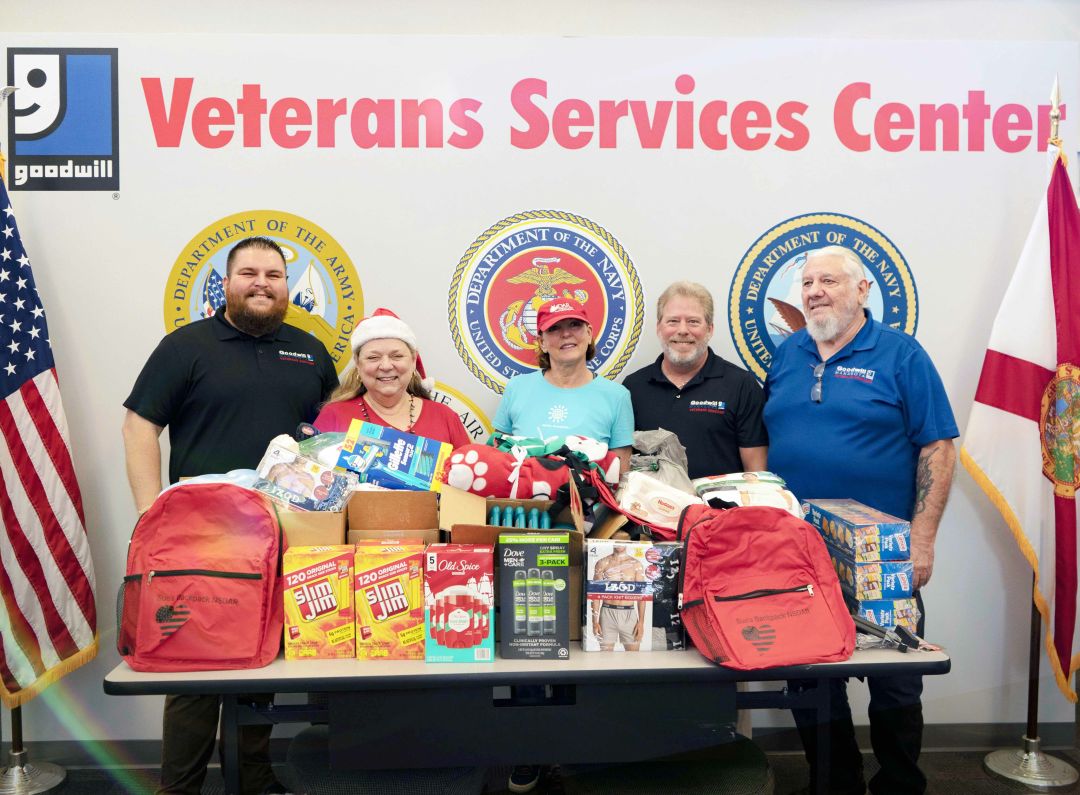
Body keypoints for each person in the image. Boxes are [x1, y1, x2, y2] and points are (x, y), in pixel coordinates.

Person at [123, 236, 338, 795]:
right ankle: (181, 786)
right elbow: (139, 425)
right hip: (199, 534)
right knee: (191, 666)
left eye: (274, 273)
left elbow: (331, 441)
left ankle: (254, 777)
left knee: (259, 654)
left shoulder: (311, 352)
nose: (262, 282)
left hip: (282, 530)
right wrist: (151, 512)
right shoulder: (185, 346)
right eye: (249, 272)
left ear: (288, 286)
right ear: (226, 282)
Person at [763, 245, 957, 795]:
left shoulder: (901, 355)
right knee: (810, 677)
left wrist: (922, 540)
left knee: (896, 678)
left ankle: (899, 784)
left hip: (883, 553)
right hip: (798, 551)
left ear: (862, 290)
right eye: (807, 282)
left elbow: (938, 448)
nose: (815, 291)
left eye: (828, 280)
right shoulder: (788, 354)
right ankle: (836, 782)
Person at [494, 297, 634, 794]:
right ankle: (529, 749)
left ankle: (577, 749)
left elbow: (621, 464)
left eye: (575, 327)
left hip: (591, 527)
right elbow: (497, 455)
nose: (566, 336)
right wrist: (534, 461)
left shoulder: (615, 395)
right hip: (526, 525)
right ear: (541, 340)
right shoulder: (517, 388)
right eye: (556, 329)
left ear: (590, 334)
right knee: (527, 633)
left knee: (581, 633)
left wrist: (581, 462)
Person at [623, 280, 767, 477]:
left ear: (710, 329)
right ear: (659, 328)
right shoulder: (633, 387)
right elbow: (623, 469)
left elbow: (756, 474)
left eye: (693, 321)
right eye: (673, 321)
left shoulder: (742, 385)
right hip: (652, 506)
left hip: (721, 507)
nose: (682, 330)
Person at [313, 308, 470, 447]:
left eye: (397, 356)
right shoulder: (334, 415)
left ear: (413, 360)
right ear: (358, 364)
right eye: (373, 357)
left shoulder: (445, 417)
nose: (386, 366)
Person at [590, 543, 647, 651]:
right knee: (605, 658)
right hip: (607, 613)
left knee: (633, 657)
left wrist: (641, 622)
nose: (620, 543)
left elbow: (641, 596)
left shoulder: (636, 564)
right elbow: (596, 595)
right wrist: (594, 621)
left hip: (629, 614)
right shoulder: (602, 563)